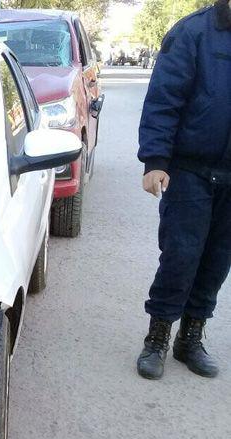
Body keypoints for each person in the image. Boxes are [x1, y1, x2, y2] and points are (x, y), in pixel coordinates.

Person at [136, 0, 231, 380]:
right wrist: (155, 160)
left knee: (218, 259)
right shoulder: (194, 32)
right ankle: (157, 336)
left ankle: (190, 338)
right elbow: (164, 98)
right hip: (190, 168)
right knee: (181, 255)